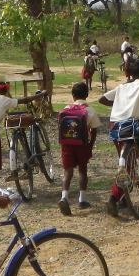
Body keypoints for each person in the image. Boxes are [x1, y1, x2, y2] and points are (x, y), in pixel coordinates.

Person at [98, 59, 139, 217]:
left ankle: (124, 196)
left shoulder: (122, 87)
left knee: (127, 161)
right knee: (128, 166)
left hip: (116, 126)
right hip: (133, 126)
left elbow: (102, 99)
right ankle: (114, 197)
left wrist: (119, 105)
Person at [56, 81, 103, 216]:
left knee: (67, 172)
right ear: (87, 95)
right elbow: (94, 130)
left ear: (73, 95)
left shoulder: (65, 108)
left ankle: (64, 197)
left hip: (67, 145)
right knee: (83, 171)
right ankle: (82, 199)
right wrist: (90, 145)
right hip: (82, 144)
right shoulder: (89, 110)